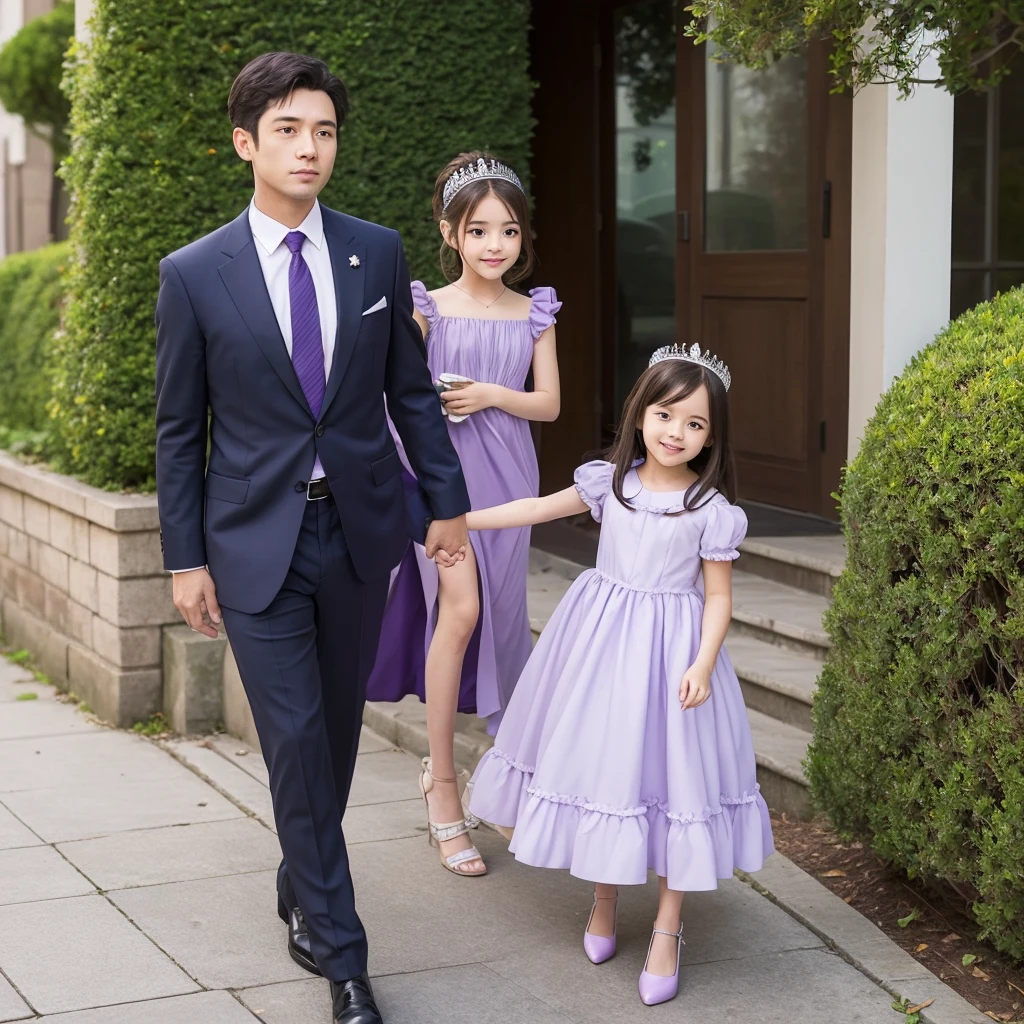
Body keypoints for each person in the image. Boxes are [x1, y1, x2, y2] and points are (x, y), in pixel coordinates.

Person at [154, 51, 470, 1024]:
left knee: (329, 741)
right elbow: (177, 427)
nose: (309, 146)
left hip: (360, 530)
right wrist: (183, 556)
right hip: (253, 541)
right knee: (292, 740)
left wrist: (444, 505)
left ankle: (302, 876)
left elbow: (410, 395)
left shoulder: (374, 254)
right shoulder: (194, 273)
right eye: (289, 129)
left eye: (324, 130)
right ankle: (345, 961)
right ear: (246, 142)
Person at [465, 345, 774, 1006]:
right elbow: (534, 508)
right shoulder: (611, 483)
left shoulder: (711, 511)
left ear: (712, 436)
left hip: (672, 653)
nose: (676, 432)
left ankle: (667, 927)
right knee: (606, 766)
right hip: (600, 642)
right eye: (666, 414)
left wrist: (703, 661)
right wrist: (461, 520)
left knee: (672, 778)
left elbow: (717, 597)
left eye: (695, 424)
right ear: (641, 414)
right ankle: (603, 900)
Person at [365, 151, 561, 878]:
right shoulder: (425, 307)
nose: (494, 245)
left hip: (512, 478)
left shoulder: (535, 312)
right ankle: (443, 788)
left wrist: (490, 395)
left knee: (504, 624)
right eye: (478, 230)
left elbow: (548, 404)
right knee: (460, 611)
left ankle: (502, 779)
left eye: (508, 231)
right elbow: (396, 398)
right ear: (449, 233)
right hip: (440, 482)